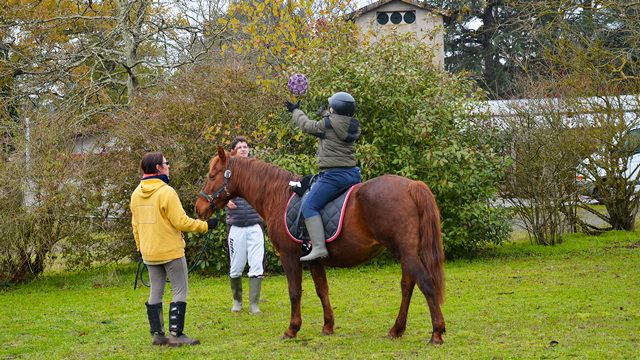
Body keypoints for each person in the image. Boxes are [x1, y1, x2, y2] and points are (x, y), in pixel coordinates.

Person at [130, 152, 218, 347]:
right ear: (158, 169)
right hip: (171, 251)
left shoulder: (136, 193)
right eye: (166, 164)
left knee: (156, 292)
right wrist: (206, 225)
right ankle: (176, 335)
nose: (168, 166)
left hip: (149, 253)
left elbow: (135, 226)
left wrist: (140, 248)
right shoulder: (166, 192)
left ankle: (158, 335)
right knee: (180, 290)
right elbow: (181, 222)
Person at [284, 92, 362, 261]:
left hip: (333, 176)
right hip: (353, 174)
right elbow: (336, 123)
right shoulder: (352, 125)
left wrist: (295, 111)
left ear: (333, 109)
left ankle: (318, 247)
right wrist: (327, 115)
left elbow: (306, 125)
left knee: (309, 206)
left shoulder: (327, 125)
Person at [225, 136, 267, 314]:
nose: (243, 149)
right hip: (236, 226)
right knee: (236, 266)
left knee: (257, 264)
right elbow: (216, 192)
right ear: (233, 151)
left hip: (255, 225)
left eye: (245, 146)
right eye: (239, 147)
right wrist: (225, 201)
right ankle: (238, 301)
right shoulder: (227, 171)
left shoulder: (258, 169)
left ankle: (254, 305)